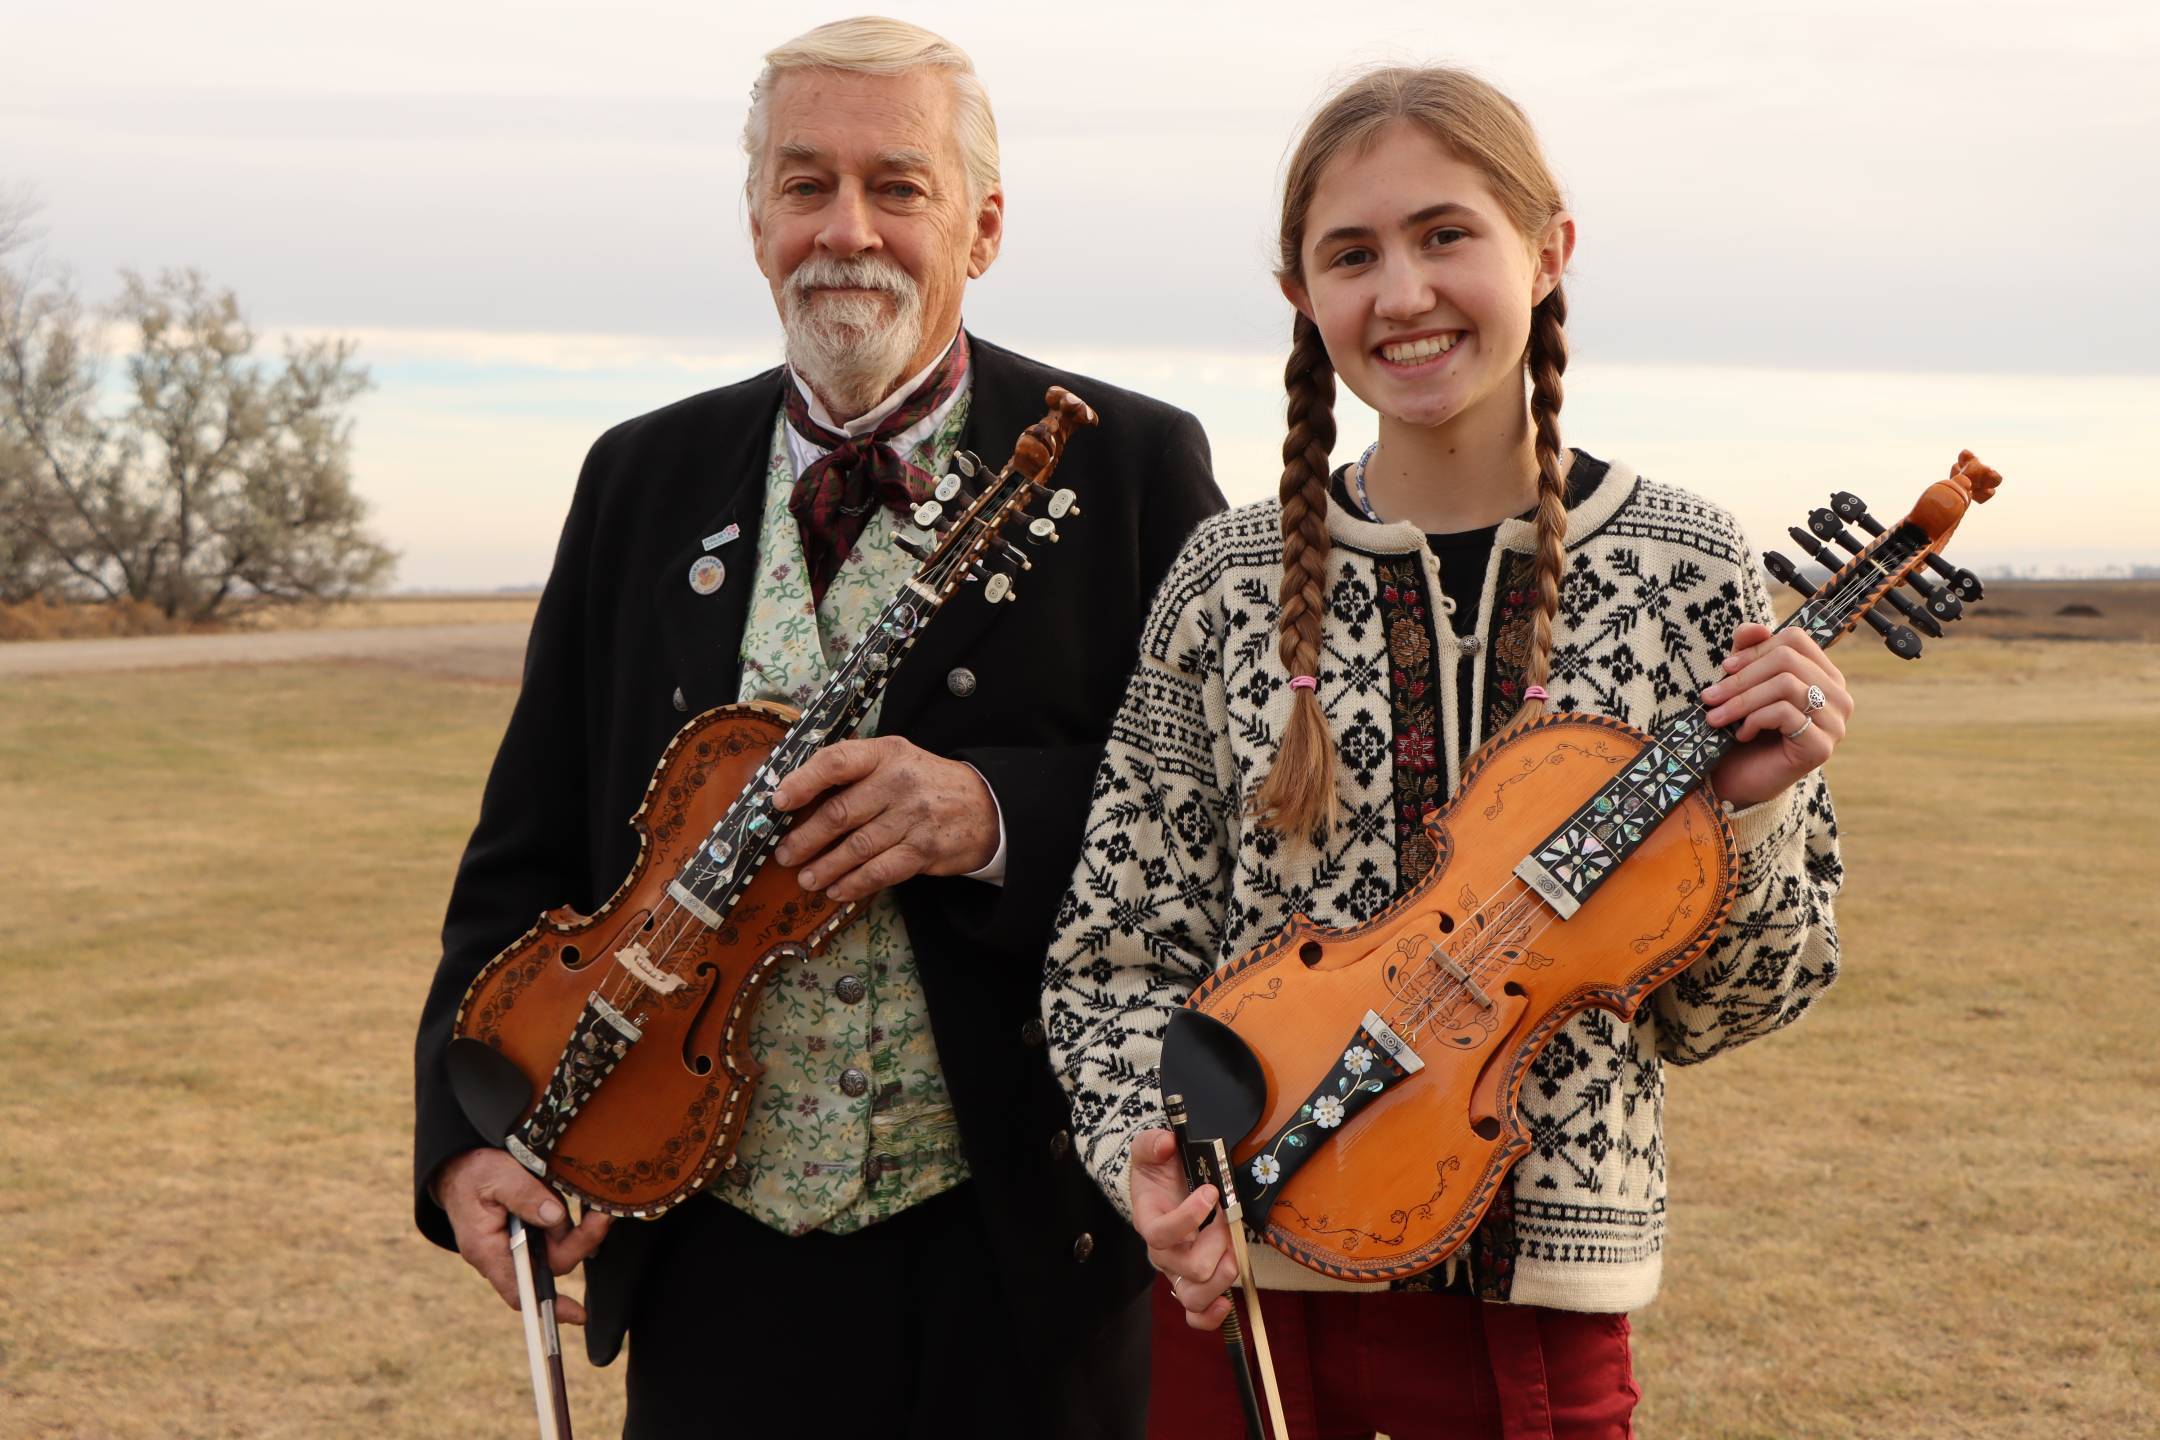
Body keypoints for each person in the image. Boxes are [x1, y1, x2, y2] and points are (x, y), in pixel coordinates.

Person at [410, 18, 1222, 1438]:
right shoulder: (640, 476)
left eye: (897, 186)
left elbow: (1229, 815)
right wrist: (466, 1144)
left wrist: (996, 814)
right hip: (712, 1260)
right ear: (755, 220)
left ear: (983, 223)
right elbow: (525, 853)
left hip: (1021, 1253)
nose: (847, 229)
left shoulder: (1132, 463)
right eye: (805, 185)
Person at [1043, 67, 1847, 1438]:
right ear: (1303, 296)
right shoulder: (1228, 579)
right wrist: (1147, 1165)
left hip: (1540, 1319)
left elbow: (1732, 1008)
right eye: (1351, 255)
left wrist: (1757, 820)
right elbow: (1113, 958)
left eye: (1446, 234)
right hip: (1252, 1294)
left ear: (1550, 249)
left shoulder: (1690, 568)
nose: (1403, 292)